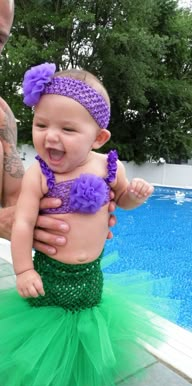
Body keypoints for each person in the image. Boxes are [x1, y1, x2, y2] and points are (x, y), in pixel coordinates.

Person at [0, 62, 167, 386]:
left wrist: (133, 196)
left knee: (85, 334)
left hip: (90, 278)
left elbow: (122, 200)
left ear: (99, 137)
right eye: (41, 124)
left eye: (68, 128)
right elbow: (22, 224)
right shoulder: (38, 174)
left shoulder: (110, 166)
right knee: (42, 340)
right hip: (47, 278)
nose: (50, 136)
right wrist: (23, 270)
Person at [0, 0, 116, 255]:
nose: (51, 135)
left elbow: (15, 197)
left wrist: (73, 215)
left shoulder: (2, 116)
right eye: (42, 124)